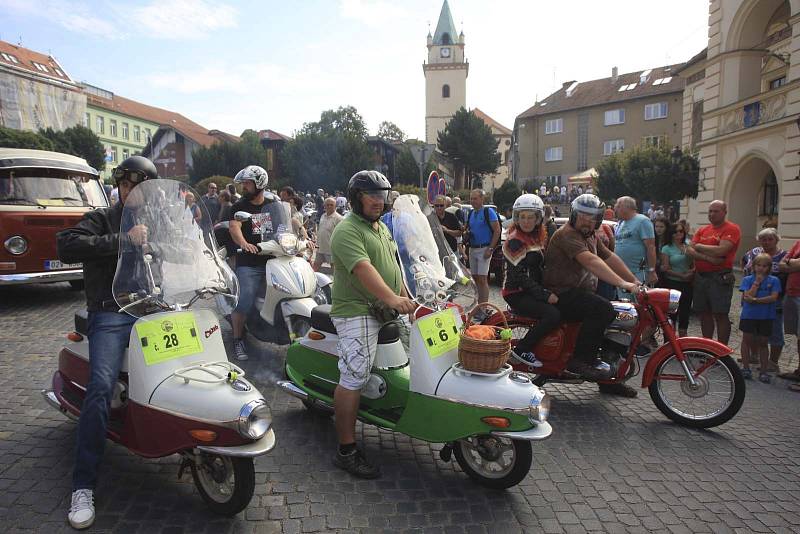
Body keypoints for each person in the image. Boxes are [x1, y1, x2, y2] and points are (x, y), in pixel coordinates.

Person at [56, 156, 159, 530]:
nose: (129, 190)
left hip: (152, 308)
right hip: (111, 313)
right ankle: (82, 485)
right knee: (100, 387)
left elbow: (184, 248)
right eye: (125, 184)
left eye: (138, 185)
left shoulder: (157, 220)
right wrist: (122, 240)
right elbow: (67, 244)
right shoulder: (102, 217)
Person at [330, 170, 416, 478]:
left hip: (386, 306)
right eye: (372, 196)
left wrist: (409, 299)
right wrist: (393, 300)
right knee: (354, 375)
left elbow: (395, 267)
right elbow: (364, 270)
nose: (379, 201)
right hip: (357, 310)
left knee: (419, 350)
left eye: (382, 196)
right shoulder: (347, 230)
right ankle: (346, 450)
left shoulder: (381, 228)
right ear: (355, 199)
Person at [543, 194, 640, 392]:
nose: (587, 220)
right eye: (583, 215)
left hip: (578, 292)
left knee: (620, 314)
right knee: (602, 309)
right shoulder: (567, 235)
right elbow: (590, 261)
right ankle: (580, 361)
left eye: (592, 216)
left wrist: (634, 280)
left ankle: (609, 378)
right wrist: (623, 283)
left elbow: (609, 257)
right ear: (573, 215)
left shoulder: (591, 235)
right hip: (561, 292)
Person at [502, 194, 560, 366]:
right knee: (552, 315)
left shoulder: (535, 237)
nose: (526, 221)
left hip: (529, 289)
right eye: (522, 217)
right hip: (516, 292)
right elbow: (517, 276)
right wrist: (544, 294)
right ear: (517, 218)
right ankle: (522, 349)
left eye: (531, 217)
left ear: (538, 218)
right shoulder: (515, 241)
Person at [227, 165, 273, 361]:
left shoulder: (272, 203)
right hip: (249, 262)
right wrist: (244, 243)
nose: (244, 187)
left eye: (247, 183)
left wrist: (302, 233)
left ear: (259, 183)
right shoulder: (239, 206)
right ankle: (238, 339)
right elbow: (234, 227)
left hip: (272, 259)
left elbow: (287, 220)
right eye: (243, 183)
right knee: (244, 299)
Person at [686, 200, 741, 345]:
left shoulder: (731, 228)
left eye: (716, 211)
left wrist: (698, 246)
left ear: (724, 212)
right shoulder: (702, 230)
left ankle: (721, 350)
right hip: (701, 276)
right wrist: (707, 257)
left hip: (720, 277)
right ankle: (707, 347)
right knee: (704, 314)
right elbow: (689, 250)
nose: (712, 214)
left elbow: (722, 250)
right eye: (710, 211)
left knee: (720, 314)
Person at [741, 227, 787, 371]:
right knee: (753, 331)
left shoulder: (784, 255)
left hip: (774, 300)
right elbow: (744, 264)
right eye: (763, 239)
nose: (766, 242)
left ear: (776, 240)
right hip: (752, 296)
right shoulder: (754, 253)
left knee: (774, 332)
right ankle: (754, 356)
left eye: (770, 239)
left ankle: (772, 362)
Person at [738, 253, 781, 383]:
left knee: (763, 342)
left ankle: (763, 370)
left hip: (766, 316)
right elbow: (747, 297)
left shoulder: (774, 280)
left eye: (764, 266)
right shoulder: (748, 280)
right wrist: (756, 283)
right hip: (749, 315)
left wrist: (756, 300)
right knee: (747, 340)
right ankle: (746, 368)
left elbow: (773, 297)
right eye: (759, 265)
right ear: (754, 266)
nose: (761, 268)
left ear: (769, 267)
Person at [464, 189, 501, 314]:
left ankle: (483, 308)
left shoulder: (488, 211)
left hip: (484, 248)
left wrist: (490, 248)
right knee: (475, 278)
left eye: (475, 198)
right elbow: (466, 229)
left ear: (481, 199)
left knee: (483, 278)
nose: (472, 201)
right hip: (473, 248)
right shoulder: (471, 213)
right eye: (471, 198)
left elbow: (497, 230)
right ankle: (478, 306)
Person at [613, 196, 658, 286]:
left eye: (617, 207)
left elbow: (651, 247)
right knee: (624, 300)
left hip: (639, 273)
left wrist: (652, 271)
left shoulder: (642, 221)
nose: (615, 210)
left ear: (625, 207)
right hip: (622, 273)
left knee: (638, 299)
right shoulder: (620, 223)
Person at [661, 221, 695, 337]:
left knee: (685, 314)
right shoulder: (667, 248)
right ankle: (669, 342)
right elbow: (666, 269)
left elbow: (693, 263)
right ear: (671, 234)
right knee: (672, 315)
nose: (679, 233)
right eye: (675, 231)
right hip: (673, 283)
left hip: (687, 284)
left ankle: (683, 342)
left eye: (681, 231)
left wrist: (692, 271)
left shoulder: (688, 246)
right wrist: (681, 276)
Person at [778, 239, 800, 387]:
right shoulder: (798, 242)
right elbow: (781, 265)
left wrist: (790, 263)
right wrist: (792, 263)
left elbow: (789, 264)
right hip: (792, 293)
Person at [313, 197, 343, 272]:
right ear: (324, 206)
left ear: (335, 206)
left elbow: (341, 235)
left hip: (331, 249)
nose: (329, 206)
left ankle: (337, 283)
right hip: (320, 247)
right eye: (327, 205)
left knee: (335, 270)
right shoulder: (323, 216)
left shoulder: (339, 218)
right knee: (315, 267)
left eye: (331, 205)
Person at [653, 216, 669, 285]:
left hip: (668, 273)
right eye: (656, 226)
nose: (658, 229)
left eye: (661, 227)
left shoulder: (669, 241)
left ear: (666, 228)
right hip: (656, 271)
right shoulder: (652, 240)